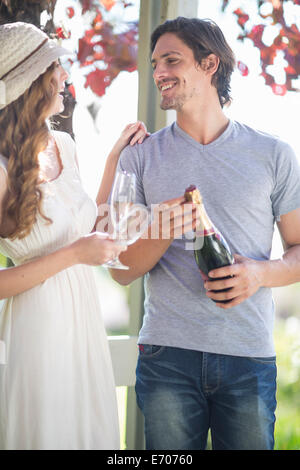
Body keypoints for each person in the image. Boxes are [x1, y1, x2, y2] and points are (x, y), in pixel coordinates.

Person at [110, 17, 300, 450]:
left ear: (210, 63)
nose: (159, 72)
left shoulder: (273, 154)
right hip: (166, 357)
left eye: (172, 60)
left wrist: (259, 274)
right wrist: (159, 230)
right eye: (155, 62)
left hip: (247, 356)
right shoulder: (139, 159)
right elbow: (121, 271)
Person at [0, 21, 148, 450]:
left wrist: (113, 161)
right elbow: (74, 250)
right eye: (55, 70)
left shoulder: (63, 145)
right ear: (30, 83)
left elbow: (85, 230)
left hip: (84, 321)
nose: (65, 77)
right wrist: (76, 255)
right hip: (38, 327)